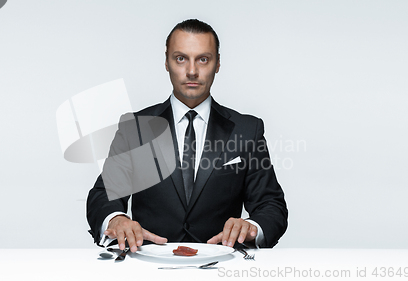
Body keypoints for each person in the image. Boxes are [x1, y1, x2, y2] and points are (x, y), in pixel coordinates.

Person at [87, 19, 288, 253]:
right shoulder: (135, 128)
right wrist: (116, 219)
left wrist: (251, 226)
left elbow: (271, 206)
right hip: (147, 266)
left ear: (218, 63)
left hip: (222, 266)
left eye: (203, 59)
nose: (192, 71)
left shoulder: (246, 130)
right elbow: (104, 194)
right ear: (166, 62)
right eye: (181, 58)